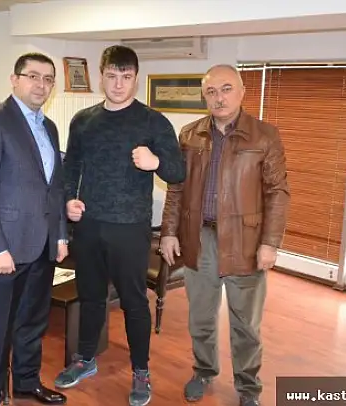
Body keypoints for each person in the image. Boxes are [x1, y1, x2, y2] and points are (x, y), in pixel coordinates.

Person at [54, 45, 186, 406]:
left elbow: (178, 171)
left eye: (126, 77)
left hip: (130, 227)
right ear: (101, 76)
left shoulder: (152, 121)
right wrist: (68, 201)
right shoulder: (84, 120)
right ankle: (85, 358)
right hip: (89, 225)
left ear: (136, 79)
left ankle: (141, 371)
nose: (118, 84)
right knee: (90, 296)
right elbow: (71, 167)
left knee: (133, 302)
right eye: (112, 76)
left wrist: (155, 161)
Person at [159, 64, 290, 406]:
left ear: (242, 91)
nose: (219, 97)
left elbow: (277, 193)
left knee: (246, 324)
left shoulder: (264, 136)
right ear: (204, 97)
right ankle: (203, 370)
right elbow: (176, 188)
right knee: (201, 316)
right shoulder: (189, 135)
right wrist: (169, 232)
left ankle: (248, 387)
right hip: (199, 239)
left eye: (226, 89)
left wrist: (270, 243)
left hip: (246, 242)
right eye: (211, 91)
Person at [0, 52, 69, 406]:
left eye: (48, 79)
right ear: (14, 80)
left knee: (32, 322)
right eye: (33, 76)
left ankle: (27, 382)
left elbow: (55, 187)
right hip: (6, 249)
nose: (41, 84)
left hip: (42, 245)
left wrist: (60, 234)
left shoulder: (49, 127)